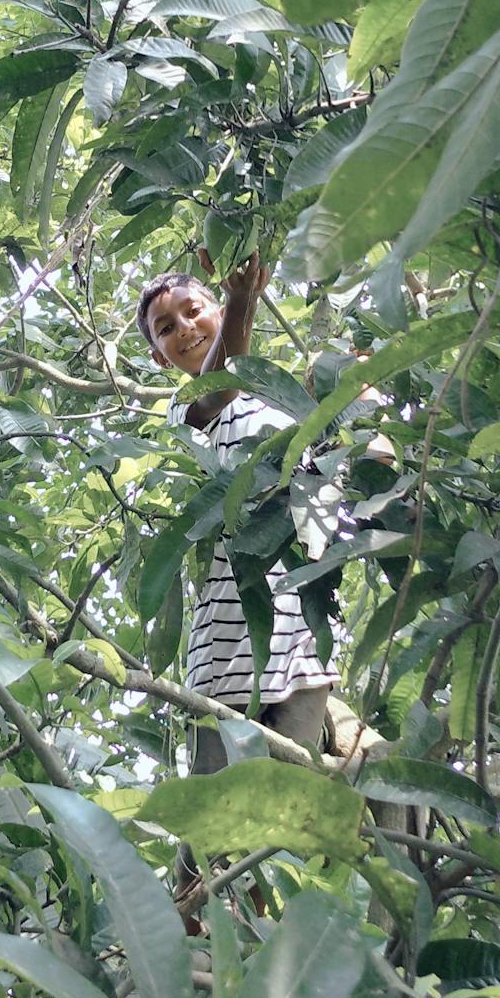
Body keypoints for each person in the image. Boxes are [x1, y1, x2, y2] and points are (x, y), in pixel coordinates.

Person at [136, 251, 338, 784]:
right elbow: (219, 384)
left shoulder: (287, 409)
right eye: (165, 328)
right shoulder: (188, 411)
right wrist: (242, 297)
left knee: (287, 827)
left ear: (217, 316)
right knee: (213, 838)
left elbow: (341, 497)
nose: (184, 327)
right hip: (228, 659)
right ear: (160, 357)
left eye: (193, 310)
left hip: (303, 655)